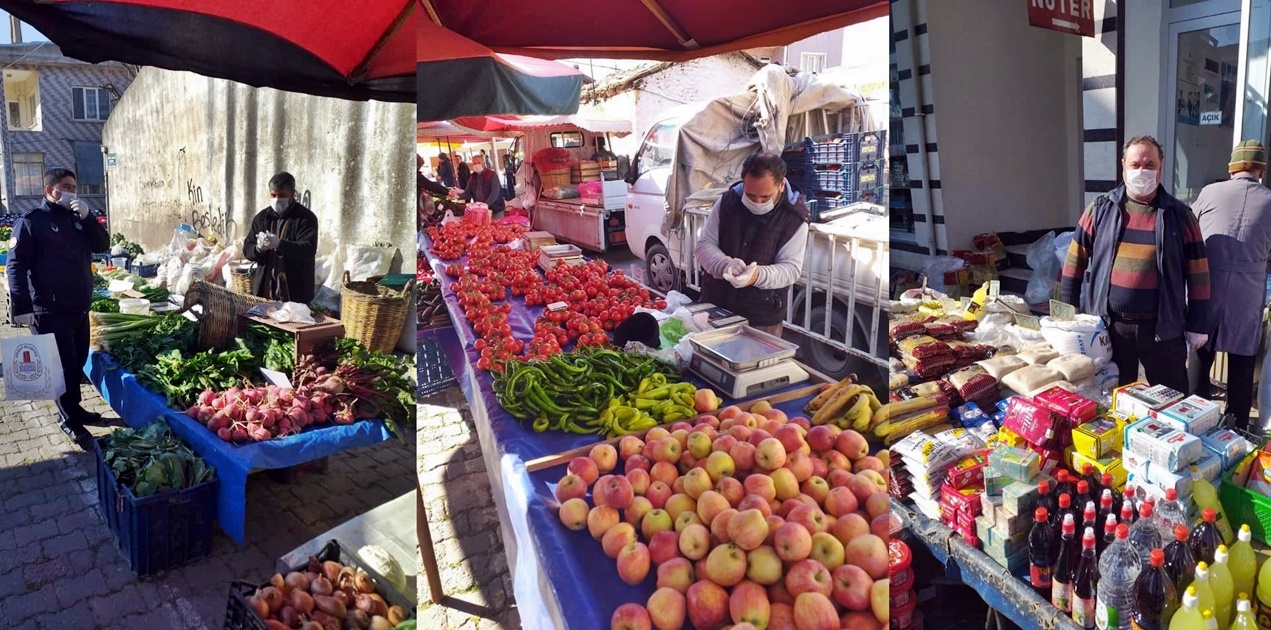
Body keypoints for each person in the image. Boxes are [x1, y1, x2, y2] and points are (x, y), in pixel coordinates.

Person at [1059, 136, 1212, 393]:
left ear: (1161, 167)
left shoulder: (1180, 215)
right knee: (1113, 398)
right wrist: (1068, 309)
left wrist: (1198, 323)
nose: (1142, 171)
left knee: (1171, 398)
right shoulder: (1100, 209)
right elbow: (1074, 260)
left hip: (1163, 328)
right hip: (1110, 327)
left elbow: (1199, 273)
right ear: (1123, 166)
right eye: (1135, 164)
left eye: (1149, 165)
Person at [7, 168, 111, 443]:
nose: (71, 191)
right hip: (48, 311)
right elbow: (15, 266)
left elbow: (102, 245)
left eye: (74, 187)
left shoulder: (77, 218)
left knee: (76, 364)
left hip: (78, 308)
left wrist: (89, 218)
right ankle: (69, 420)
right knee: (59, 370)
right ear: (49, 190)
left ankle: (74, 409)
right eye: (65, 186)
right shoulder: (32, 221)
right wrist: (21, 307)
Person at [1191, 140, 1271, 431]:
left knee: (1201, 353)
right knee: (1242, 359)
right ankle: (1237, 424)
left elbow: (1190, 232)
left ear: (1231, 168)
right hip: (1247, 292)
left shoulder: (1210, 192)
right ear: (1261, 171)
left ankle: (1196, 415)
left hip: (1208, 285)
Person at [695, 152, 810, 337]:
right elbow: (704, 245)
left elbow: (790, 269)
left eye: (765, 197)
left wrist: (757, 276)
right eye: (750, 195)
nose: (757, 202)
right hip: (715, 307)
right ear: (743, 182)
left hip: (761, 318)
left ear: (781, 185)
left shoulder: (795, 218)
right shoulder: (728, 202)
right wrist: (724, 264)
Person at [243, 172, 319, 304]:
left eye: (282, 195)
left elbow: (308, 249)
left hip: (295, 294)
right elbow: (247, 250)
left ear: (292, 194)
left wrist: (280, 244)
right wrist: (259, 249)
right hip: (265, 291)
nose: (277, 199)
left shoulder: (306, 218)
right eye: (273, 195)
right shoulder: (261, 218)